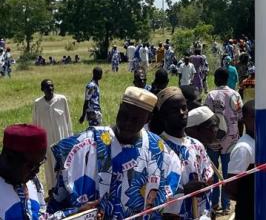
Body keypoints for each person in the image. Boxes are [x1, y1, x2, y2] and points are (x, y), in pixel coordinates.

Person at [48, 86, 181, 219]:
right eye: (124, 115)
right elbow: (58, 202)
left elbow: (165, 199)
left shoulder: (157, 149)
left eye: (135, 119)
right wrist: (78, 212)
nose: (127, 123)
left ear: (148, 119)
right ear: (119, 107)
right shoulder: (85, 144)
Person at [157, 87, 215, 220]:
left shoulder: (196, 145)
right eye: (174, 110)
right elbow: (152, 194)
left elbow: (208, 178)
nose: (182, 113)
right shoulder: (157, 148)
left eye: (184, 108)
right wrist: (183, 191)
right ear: (163, 115)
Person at [204, 68, 243, 215]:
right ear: (227, 79)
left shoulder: (211, 95)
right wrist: (239, 136)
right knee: (227, 173)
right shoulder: (235, 95)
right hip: (231, 140)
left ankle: (214, 204)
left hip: (213, 140)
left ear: (215, 79)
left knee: (213, 173)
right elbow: (240, 118)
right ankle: (226, 206)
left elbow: (206, 118)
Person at [32, 79, 72, 195]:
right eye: (47, 87)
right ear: (42, 89)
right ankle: (52, 190)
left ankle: (66, 189)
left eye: (52, 86)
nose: (50, 89)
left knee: (64, 165)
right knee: (49, 166)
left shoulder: (61, 100)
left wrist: (70, 140)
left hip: (61, 140)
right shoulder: (38, 104)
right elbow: (35, 124)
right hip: (47, 142)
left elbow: (68, 121)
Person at [0, 124, 48, 220]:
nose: (37, 171)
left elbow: (41, 214)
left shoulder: (31, 181)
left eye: (40, 163)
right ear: (9, 159)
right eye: (32, 166)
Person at [225, 100, 256, 220]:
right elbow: (230, 186)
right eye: (253, 117)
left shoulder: (259, 141)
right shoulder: (243, 148)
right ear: (244, 120)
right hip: (248, 209)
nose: (257, 121)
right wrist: (246, 198)